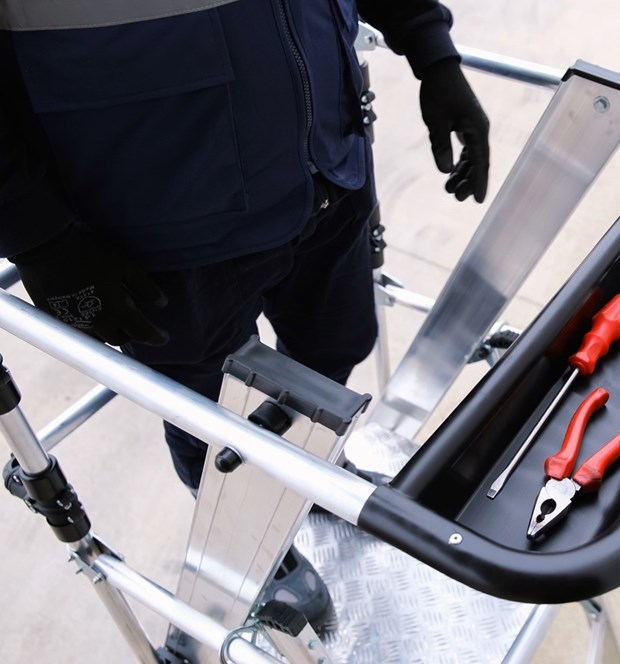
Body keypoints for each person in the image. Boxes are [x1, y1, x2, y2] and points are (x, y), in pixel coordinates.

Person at [0, 0, 489, 629]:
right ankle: (252, 542)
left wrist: (430, 50)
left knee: (334, 346)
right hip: (161, 215)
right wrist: (40, 234)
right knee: (210, 413)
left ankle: (310, 473)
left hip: (326, 163)